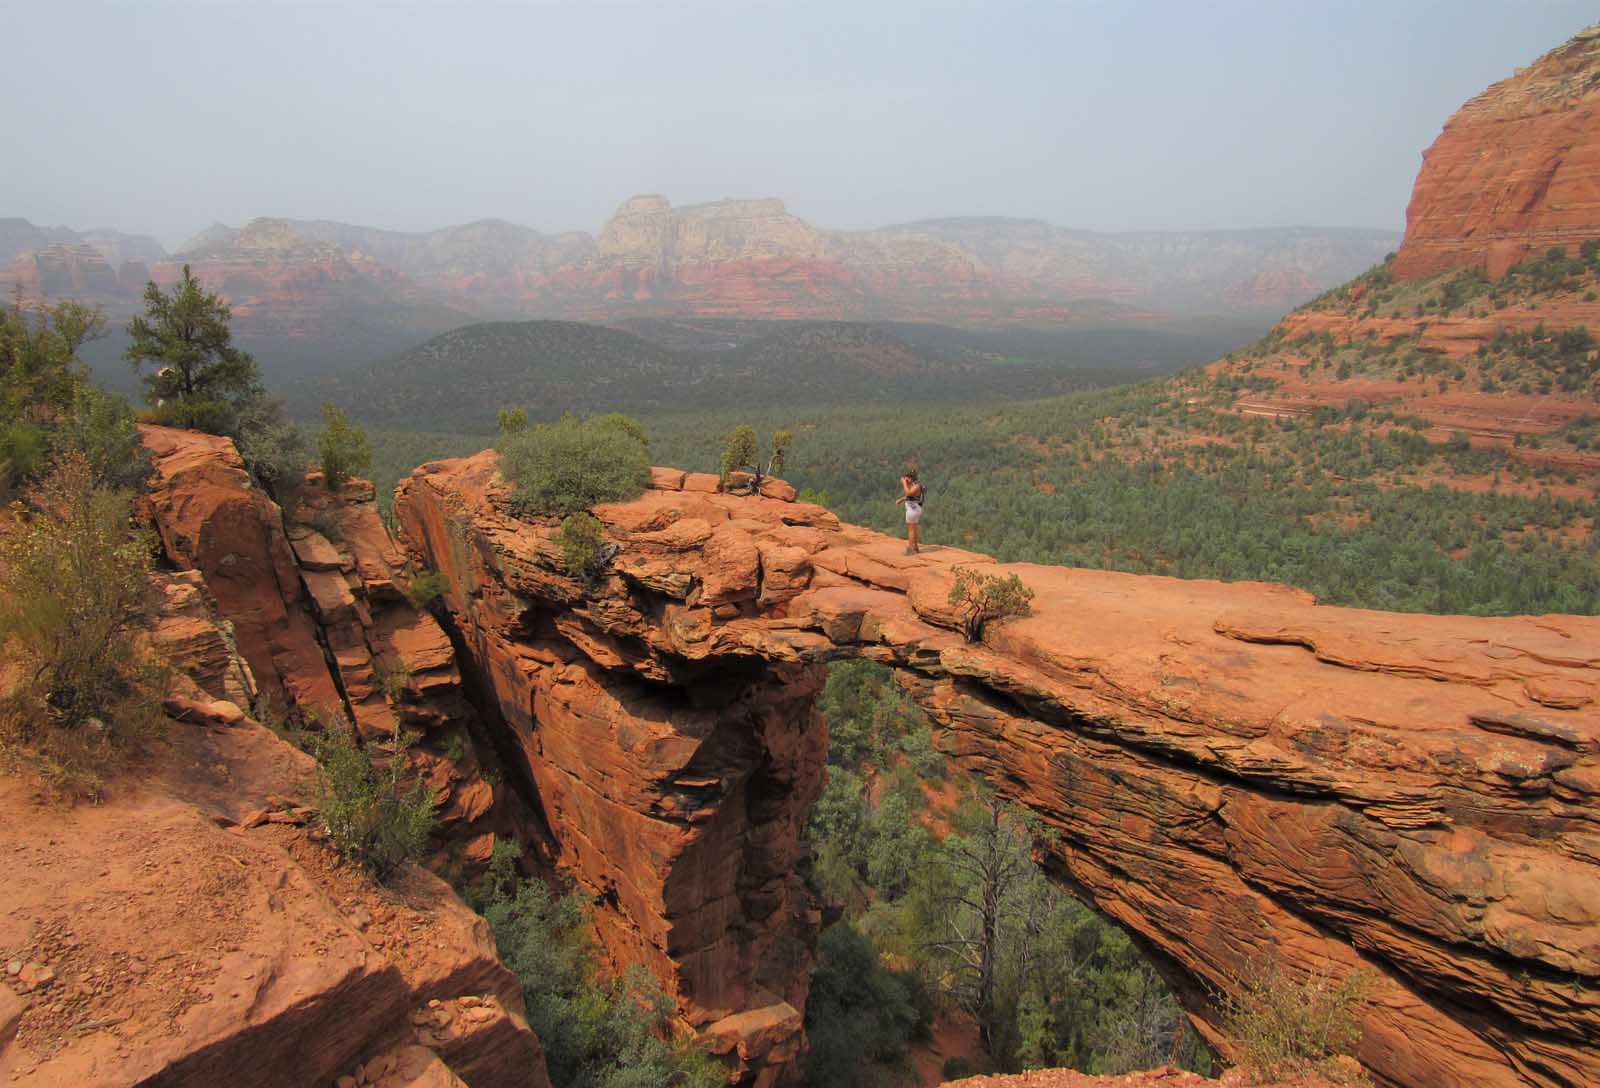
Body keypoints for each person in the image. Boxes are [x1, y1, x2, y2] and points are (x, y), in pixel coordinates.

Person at [896, 467, 924, 555]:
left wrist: (904, 483)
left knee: (911, 530)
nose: (905, 479)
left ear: (910, 477)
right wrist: (902, 499)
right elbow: (911, 496)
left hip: (913, 509)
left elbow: (909, 493)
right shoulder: (914, 484)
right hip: (914, 508)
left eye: (906, 478)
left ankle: (910, 549)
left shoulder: (916, 485)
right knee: (914, 529)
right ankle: (915, 548)